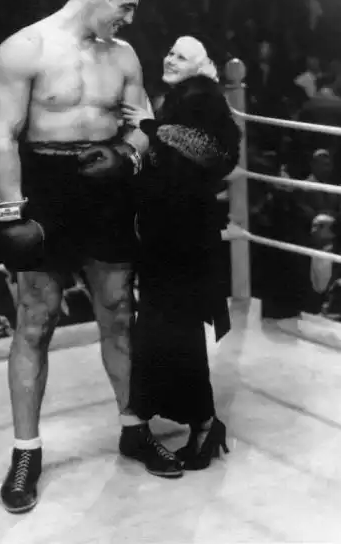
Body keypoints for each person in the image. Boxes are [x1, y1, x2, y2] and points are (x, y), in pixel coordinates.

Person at [0, 0, 176, 514]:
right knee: (36, 320)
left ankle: (134, 428)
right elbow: (3, 135)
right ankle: (26, 453)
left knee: (118, 311)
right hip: (46, 187)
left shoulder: (123, 54)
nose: (129, 19)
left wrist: (128, 154)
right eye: (125, 6)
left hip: (107, 186)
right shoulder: (26, 48)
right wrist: (11, 215)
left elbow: (144, 122)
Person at [122, 36, 240, 478]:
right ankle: (201, 423)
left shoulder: (202, 96)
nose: (170, 59)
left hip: (183, 235)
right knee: (170, 328)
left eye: (182, 56)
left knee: (176, 329)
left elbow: (216, 154)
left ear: (201, 65)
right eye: (169, 52)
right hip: (171, 232)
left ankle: (205, 423)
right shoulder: (185, 96)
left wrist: (155, 128)